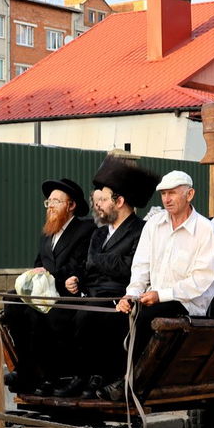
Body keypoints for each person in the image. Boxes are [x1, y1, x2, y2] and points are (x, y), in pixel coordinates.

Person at [107, 170, 214, 399]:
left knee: (146, 317)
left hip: (189, 304)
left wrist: (162, 294)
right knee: (117, 315)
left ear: (190, 195)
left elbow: (201, 280)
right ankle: (112, 378)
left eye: (172, 194)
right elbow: (141, 267)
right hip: (153, 299)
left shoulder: (205, 229)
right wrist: (130, 295)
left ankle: (131, 383)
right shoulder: (154, 224)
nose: (166, 199)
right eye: (163, 194)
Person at [52, 157, 157, 397]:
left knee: (85, 316)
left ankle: (91, 377)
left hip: (117, 295)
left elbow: (129, 268)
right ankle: (59, 374)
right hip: (91, 292)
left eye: (104, 199)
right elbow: (87, 265)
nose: (97, 205)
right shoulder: (99, 233)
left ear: (119, 201)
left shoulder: (141, 230)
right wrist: (77, 276)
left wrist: (97, 261)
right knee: (56, 311)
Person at [2, 177, 95, 394]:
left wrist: (50, 276)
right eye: (48, 202)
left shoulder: (85, 229)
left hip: (68, 293)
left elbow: (80, 265)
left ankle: (47, 375)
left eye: (56, 201)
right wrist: (33, 276)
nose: (50, 205)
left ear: (71, 206)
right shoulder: (47, 233)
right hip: (44, 292)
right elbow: (38, 264)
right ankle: (25, 367)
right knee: (12, 300)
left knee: (36, 314)